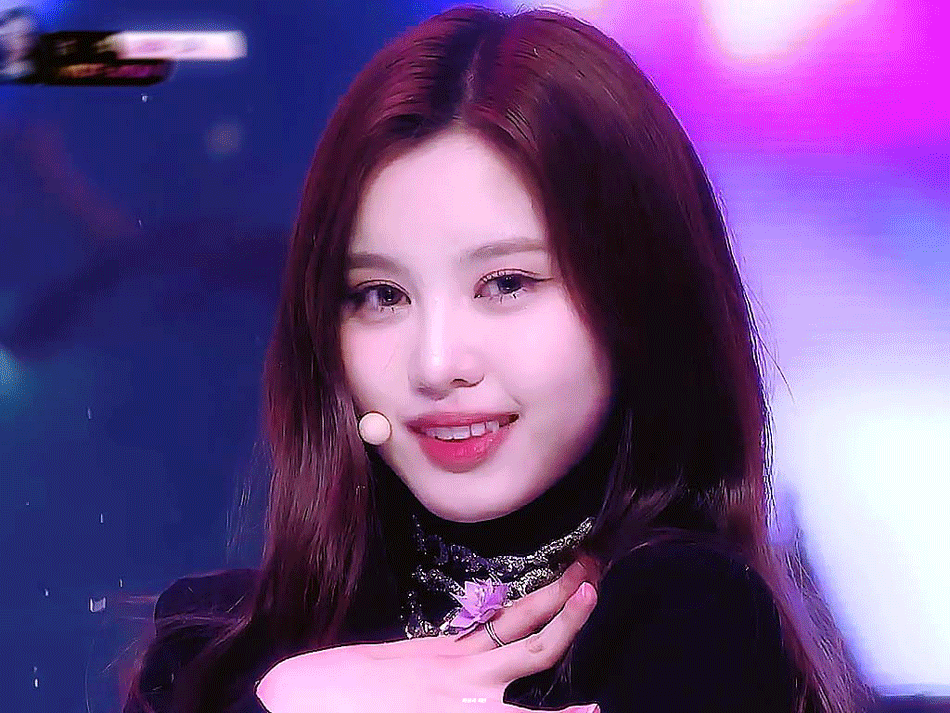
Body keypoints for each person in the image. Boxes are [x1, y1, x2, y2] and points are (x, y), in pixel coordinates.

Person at [121, 5, 872, 713]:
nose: (435, 364)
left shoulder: (691, 622)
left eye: (507, 283)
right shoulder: (213, 650)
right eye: (380, 295)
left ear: (640, 297)